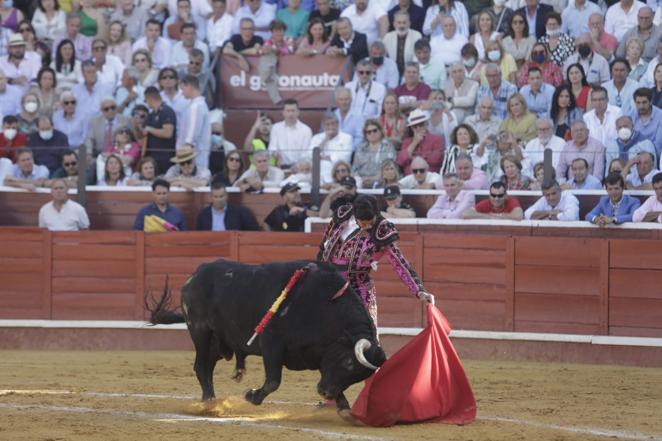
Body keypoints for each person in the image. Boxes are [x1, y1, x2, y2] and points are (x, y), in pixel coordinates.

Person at [317, 193, 434, 326]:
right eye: (363, 223)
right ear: (355, 215)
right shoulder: (342, 216)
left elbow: (399, 262)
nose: (367, 227)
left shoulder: (382, 230)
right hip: (330, 284)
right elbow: (323, 246)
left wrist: (419, 290)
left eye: (370, 222)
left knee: (366, 331)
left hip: (358, 289)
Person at [196, 181, 261, 231]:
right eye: (216, 197)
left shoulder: (240, 212)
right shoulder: (203, 214)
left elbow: (254, 231)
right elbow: (199, 236)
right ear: (211, 197)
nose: (219, 199)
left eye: (221, 196)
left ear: (226, 196)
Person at [269, 98, 313, 170]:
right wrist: (276, 155)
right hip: (280, 168)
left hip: (300, 168)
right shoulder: (276, 128)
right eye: (288, 111)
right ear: (283, 112)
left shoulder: (306, 130)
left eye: (293, 111)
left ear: (298, 112)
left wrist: (297, 166)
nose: (290, 114)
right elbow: (272, 148)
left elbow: (307, 153)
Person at [397, 109, 444, 174]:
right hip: (410, 177)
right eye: (415, 126)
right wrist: (414, 143)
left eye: (421, 124)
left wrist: (414, 158)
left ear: (426, 124)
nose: (418, 128)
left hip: (430, 176)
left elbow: (436, 159)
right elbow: (400, 161)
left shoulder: (437, 139)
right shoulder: (407, 142)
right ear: (411, 128)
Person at [352, 119, 396, 188]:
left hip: (383, 183)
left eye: (375, 130)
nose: (372, 133)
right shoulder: (360, 148)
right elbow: (354, 169)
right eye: (369, 132)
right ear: (365, 135)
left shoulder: (388, 146)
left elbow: (391, 167)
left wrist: (375, 178)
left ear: (380, 131)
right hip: (362, 183)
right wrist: (361, 179)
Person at [143, 86, 176, 175]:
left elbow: (168, 133)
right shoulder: (152, 115)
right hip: (153, 157)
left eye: (145, 101)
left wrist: (150, 129)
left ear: (149, 98)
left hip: (165, 157)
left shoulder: (166, 111)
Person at [383, 11, 422, 78]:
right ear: (394, 24)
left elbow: (417, 58)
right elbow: (384, 57)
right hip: (392, 72)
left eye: (404, 23)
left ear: (409, 23)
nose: (401, 26)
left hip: (411, 72)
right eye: (399, 23)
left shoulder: (417, 36)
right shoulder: (387, 37)